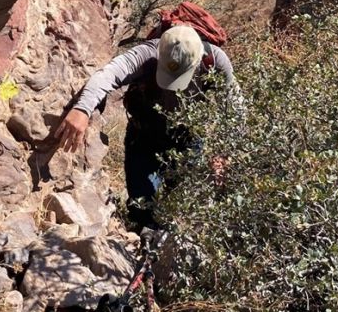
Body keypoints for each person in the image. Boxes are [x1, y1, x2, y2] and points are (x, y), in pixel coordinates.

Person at [55, 25, 238, 229]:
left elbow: (236, 109)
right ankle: (142, 243)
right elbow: (108, 74)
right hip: (144, 136)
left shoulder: (215, 60)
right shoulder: (148, 52)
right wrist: (82, 109)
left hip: (187, 139)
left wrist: (224, 154)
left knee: (182, 208)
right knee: (141, 208)